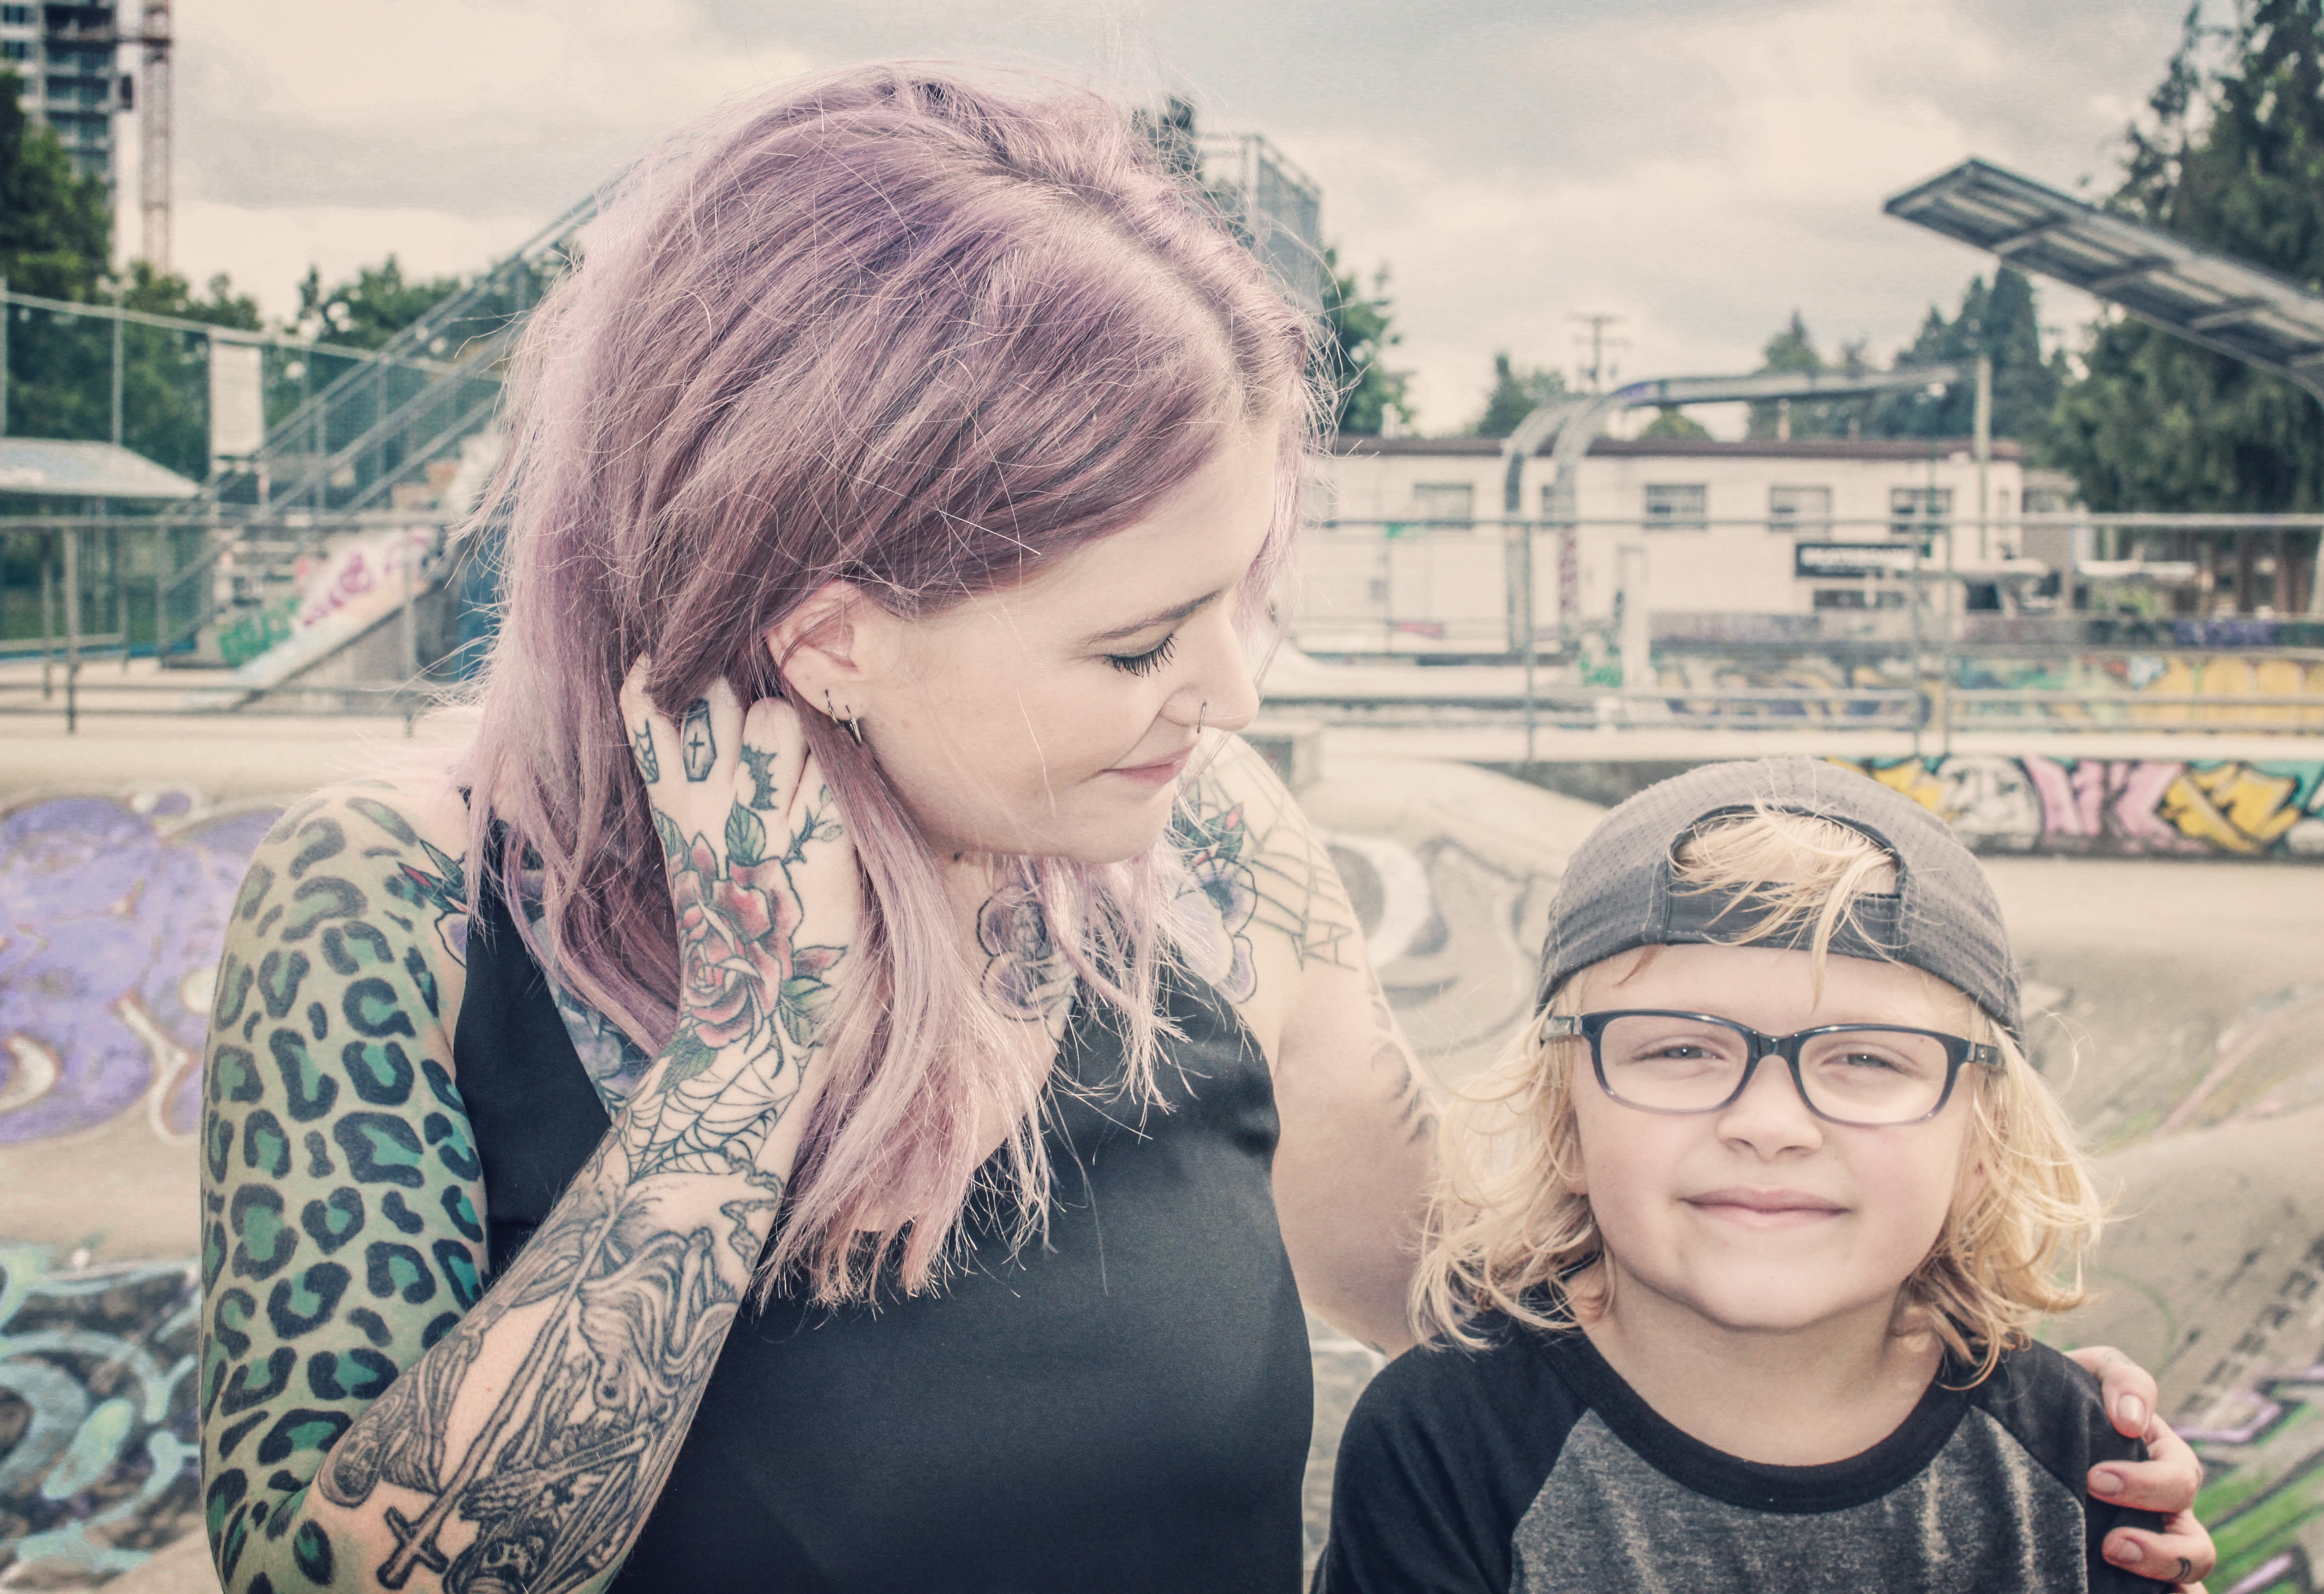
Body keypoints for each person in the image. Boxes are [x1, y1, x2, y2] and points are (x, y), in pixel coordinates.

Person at [197, 70, 2213, 1594]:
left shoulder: (1205, 842)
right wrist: (747, 1062)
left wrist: (1954, 1414)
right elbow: (335, 1571)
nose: (1235, 694)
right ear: (826, 635)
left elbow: (1462, 1291)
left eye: (1247, 593)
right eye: (1144, 638)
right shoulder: (402, 910)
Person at [1313, 758, 2203, 1593]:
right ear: (1566, 1130)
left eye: (1866, 1060)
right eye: (1682, 1049)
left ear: (1980, 1148)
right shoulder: (1445, 1440)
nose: (1770, 1126)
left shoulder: (2074, 1448)